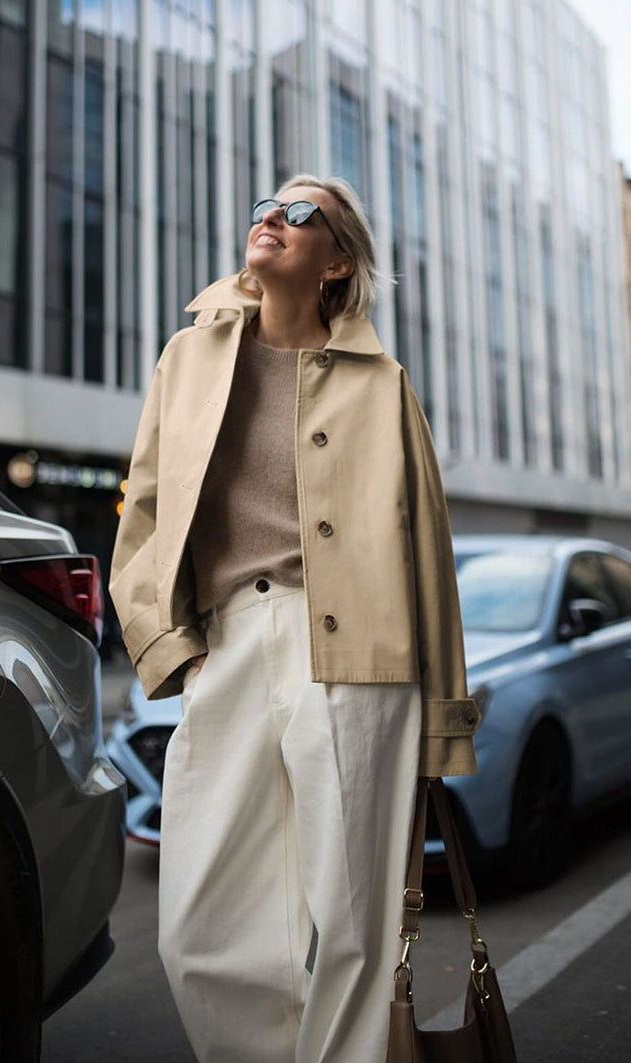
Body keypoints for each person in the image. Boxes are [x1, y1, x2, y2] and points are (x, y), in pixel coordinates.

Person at [109, 174, 479, 1063]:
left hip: (359, 663)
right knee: (198, 929)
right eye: (266, 207)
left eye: (302, 212)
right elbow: (143, 516)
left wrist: (441, 720)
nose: (272, 218)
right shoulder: (188, 358)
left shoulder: (384, 386)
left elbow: (429, 558)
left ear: (337, 262)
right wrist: (172, 647)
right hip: (229, 641)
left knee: (351, 925)